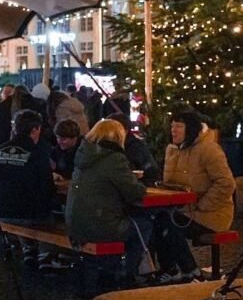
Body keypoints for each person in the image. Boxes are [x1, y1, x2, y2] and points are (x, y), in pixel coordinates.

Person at [153, 110, 236, 283]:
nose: (173, 130)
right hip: (183, 210)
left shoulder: (208, 150)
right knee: (156, 221)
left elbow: (226, 183)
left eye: (179, 126)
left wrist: (202, 205)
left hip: (211, 213)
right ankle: (171, 269)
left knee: (169, 226)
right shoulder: (172, 150)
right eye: (172, 126)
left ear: (190, 129)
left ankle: (192, 271)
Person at [65, 119, 151, 281]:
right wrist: (139, 183)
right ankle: (128, 272)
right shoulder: (113, 158)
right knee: (144, 224)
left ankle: (115, 265)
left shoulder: (83, 154)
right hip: (99, 225)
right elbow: (136, 192)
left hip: (75, 225)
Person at [0, 109, 58, 269]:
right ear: (35, 129)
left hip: (0, 210)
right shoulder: (37, 153)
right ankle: (45, 255)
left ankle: (29, 249)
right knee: (52, 215)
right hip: (27, 213)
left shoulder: (0, 149)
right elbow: (46, 187)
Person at [107, 113, 159, 185]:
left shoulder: (136, 147)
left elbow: (150, 171)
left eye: (112, 130)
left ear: (125, 130)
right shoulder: (109, 146)